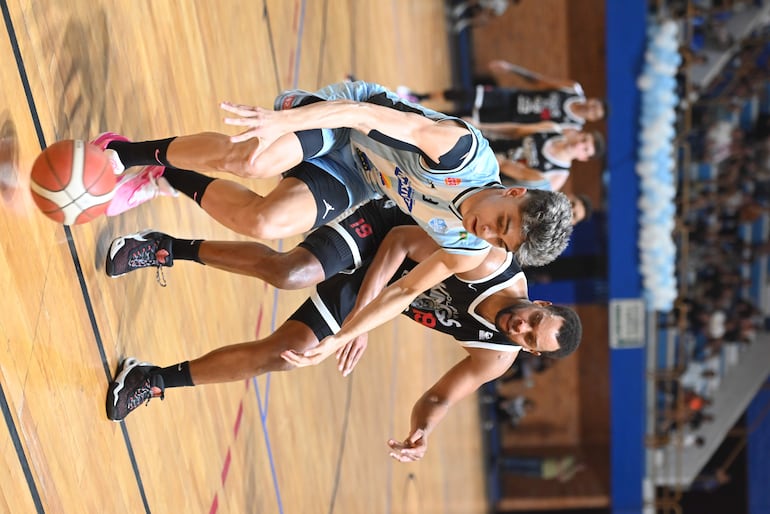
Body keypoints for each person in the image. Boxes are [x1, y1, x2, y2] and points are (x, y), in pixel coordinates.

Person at [96, 81, 573, 364]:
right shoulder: (458, 152)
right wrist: (284, 124)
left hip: (361, 175)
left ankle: (165, 173)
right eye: (500, 219)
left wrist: (344, 335)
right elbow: (364, 114)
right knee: (251, 161)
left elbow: (405, 292)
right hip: (347, 119)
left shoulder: (467, 247)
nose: (485, 231)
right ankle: (124, 153)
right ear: (512, 192)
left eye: (498, 238)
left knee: (266, 221)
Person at [106, 199, 582, 463]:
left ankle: (152, 379)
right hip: (382, 229)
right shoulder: (490, 264)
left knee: (286, 354)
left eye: (528, 338)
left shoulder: (496, 355)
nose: (521, 326)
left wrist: (422, 430)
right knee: (291, 271)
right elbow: (398, 243)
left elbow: (439, 398)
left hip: (380, 293)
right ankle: (166, 247)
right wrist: (361, 321)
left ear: (528, 352)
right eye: (534, 319)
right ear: (540, 303)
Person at [398, 60, 605, 129]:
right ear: (593, 100)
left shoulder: (572, 126)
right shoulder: (573, 89)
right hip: (511, 97)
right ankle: (419, 97)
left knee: (460, 118)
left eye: (595, 113)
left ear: (592, 119)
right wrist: (511, 68)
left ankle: (418, 117)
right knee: (463, 94)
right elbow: (540, 81)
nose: (591, 109)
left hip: (510, 118)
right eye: (595, 105)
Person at [493, 127, 605, 191]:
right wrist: (482, 126)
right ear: (581, 134)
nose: (579, 145)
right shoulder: (554, 129)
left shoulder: (558, 176)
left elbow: (519, 192)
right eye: (584, 139)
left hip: (491, 174)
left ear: (583, 158)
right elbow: (516, 130)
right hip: (491, 143)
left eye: (585, 149)